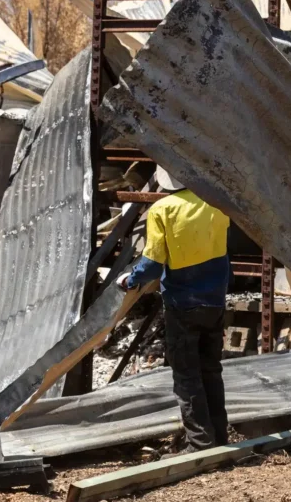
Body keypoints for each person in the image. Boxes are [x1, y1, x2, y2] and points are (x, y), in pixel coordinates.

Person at [117, 166, 231, 454]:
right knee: (211, 370)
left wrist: (130, 280)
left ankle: (199, 443)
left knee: (187, 375)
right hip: (215, 301)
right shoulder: (216, 203)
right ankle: (218, 437)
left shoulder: (162, 209)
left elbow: (153, 262)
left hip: (182, 303)